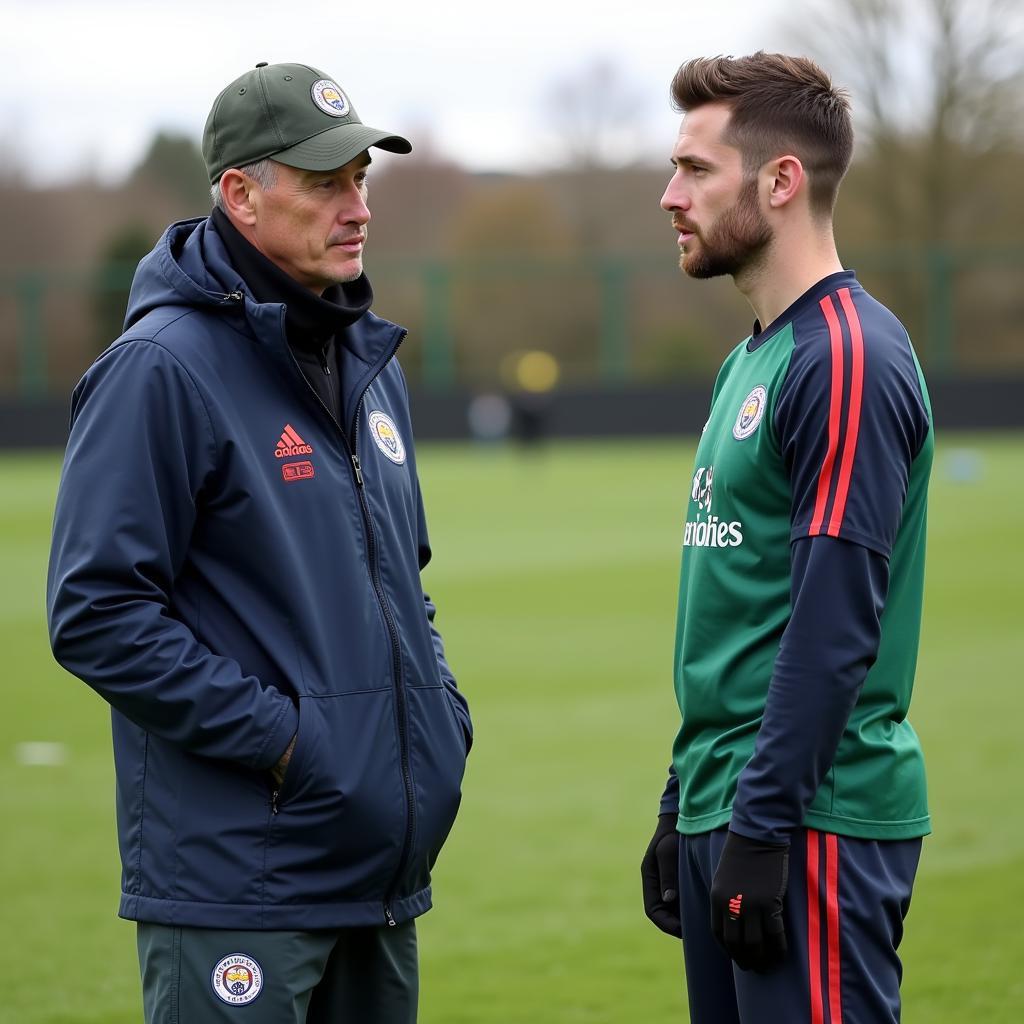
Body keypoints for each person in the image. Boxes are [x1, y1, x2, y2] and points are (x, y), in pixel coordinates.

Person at [47, 62, 472, 1024]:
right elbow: (96, 613)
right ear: (239, 193)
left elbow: (406, 584)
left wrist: (439, 718)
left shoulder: (369, 367)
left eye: (362, 178)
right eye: (326, 183)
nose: (357, 206)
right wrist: (290, 745)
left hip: (376, 878)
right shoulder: (159, 369)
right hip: (242, 885)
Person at [640, 53, 933, 1023]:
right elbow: (744, 610)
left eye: (694, 170)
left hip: (812, 819)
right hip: (733, 809)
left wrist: (760, 829)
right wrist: (679, 801)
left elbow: (831, 624)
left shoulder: (844, 357)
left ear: (779, 181)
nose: (668, 194)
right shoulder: (751, 358)